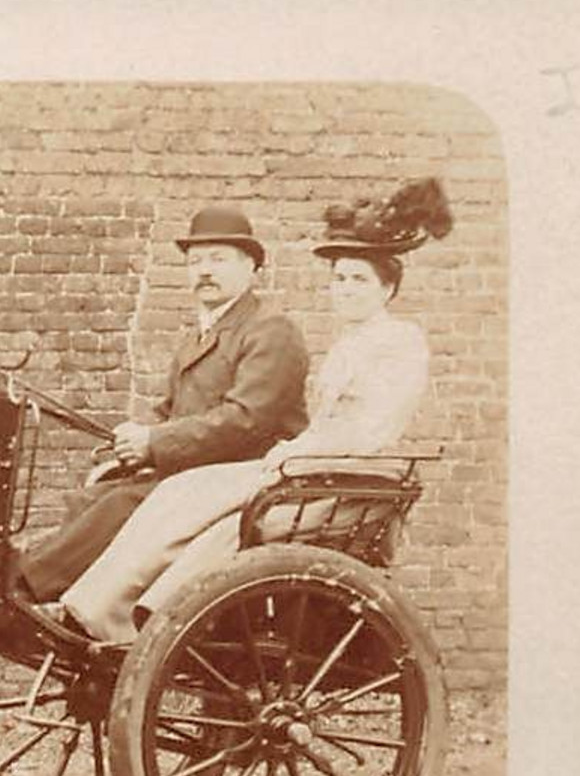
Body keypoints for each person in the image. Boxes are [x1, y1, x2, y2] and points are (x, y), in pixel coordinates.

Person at [58, 178, 455, 642]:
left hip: (350, 481)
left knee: (226, 518)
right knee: (181, 492)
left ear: (388, 289)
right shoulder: (351, 343)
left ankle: (153, 618)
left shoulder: (399, 342)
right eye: (339, 280)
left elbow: (369, 432)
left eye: (360, 281)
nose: (345, 290)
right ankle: (104, 609)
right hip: (310, 467)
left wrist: (291, 457)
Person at [17, 205, 310, 602]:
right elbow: (171, 411)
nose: (204, 271)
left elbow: (246, 419)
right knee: (95, 497)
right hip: (195, 468)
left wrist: (154, 442)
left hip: (243, 474)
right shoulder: (199, 335)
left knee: (123, 504)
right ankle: (61, 598)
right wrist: (129, 446)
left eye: (218, 259)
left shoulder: (270, 330)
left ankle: (27, 586)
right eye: (195, 262)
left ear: (251, 268)